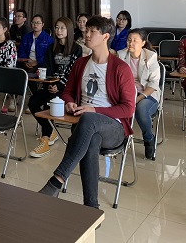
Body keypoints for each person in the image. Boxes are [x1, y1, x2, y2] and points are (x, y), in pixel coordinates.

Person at [38, 16, 136, 209]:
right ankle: (91, 208)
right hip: (84, 127)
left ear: (105, 36)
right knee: (91, 141)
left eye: (92, 31)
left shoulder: (120, 68)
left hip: (113, 127)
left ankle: (56, 180)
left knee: (90, 118)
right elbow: (67, 92)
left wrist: (94, 109)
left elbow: (128, 108)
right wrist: (69, 102)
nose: (87, 34)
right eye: (86, 30)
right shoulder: (81, 64)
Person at [28, 17, 82, 158]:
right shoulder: (51, 47)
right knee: (33, 102)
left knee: (49, 103)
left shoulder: (77, 49)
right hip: (51, 85)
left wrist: (59, 86)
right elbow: (48, 69)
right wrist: (50, 84)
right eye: (57, 27)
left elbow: (72, 73)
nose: (59, 30)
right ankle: (50, 130)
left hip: (66, 88)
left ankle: (45, 140)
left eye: (62, 28)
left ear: (68, 30)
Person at [117, 28, 161, 159]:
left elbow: (154, 84)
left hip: (148, 94)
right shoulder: (121, 55)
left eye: (135, 40)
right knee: (115, 106)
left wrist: (138, 98)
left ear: (143, 43)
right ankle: (120, 138)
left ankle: (148, 139)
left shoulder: (150, 56)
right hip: (127, 93)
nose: (130, 43)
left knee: (141, 109)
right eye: (129, 40)